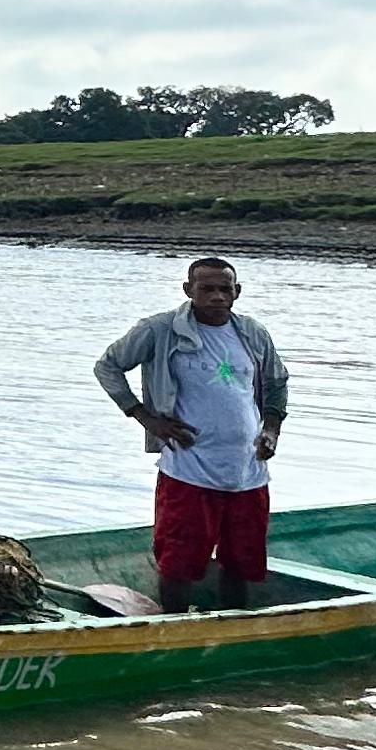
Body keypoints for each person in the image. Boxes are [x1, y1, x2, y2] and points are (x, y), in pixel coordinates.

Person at [93, 258, 289, 611]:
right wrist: (144, 417)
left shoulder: (252, 333)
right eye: (206, 288)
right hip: (189, 470)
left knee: (241, 562)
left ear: (237, 292)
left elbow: (277, 382)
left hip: (247, 472)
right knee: (178, 562)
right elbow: (108, 366)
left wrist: (271, 430)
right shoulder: (160, 330)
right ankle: (173, 626)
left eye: (224, 289)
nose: (216, 296)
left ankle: (234, 627)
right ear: (188, 290)